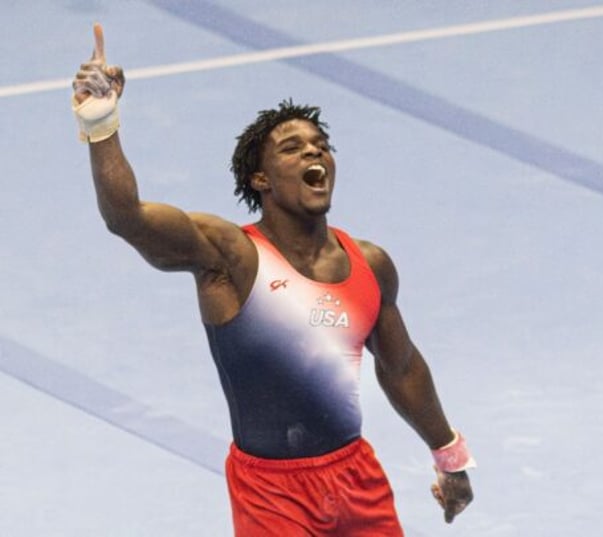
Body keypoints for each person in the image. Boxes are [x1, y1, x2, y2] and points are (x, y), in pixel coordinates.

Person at [72, 23, 475, 536]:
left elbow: (401, 368)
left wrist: (449, 454)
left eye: (320, 146)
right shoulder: (230, 256)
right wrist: (101, 122)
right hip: (271, 494)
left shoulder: (370, 265)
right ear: (260, 180)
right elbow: (126, 217)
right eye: (291, 149)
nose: (313, 154)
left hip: (357, 481)